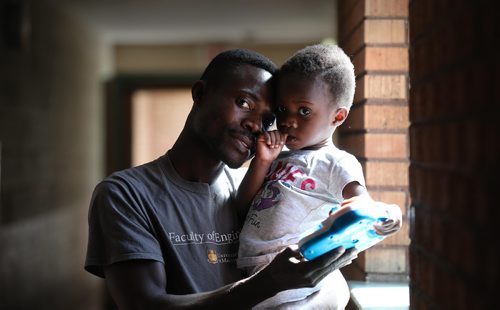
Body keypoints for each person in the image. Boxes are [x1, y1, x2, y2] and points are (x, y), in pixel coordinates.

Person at [84, 48, 358, 309]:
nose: (254, 125)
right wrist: (269, 282)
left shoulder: (261, 194)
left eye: (267, 119)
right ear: (201, 94)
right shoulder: (126, 195)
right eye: (244, 103)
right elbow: (144, 305)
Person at [234, 44, 403, 308]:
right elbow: (241, 207)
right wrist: (262, 161)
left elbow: (361, 205)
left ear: (337, 116)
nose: (288, 120)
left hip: (292, 276)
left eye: (303, 111)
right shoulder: (275, 156)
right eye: (282, 110)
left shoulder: (337, 163)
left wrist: (388, 213)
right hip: (253, 274)